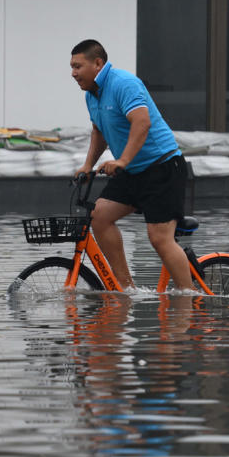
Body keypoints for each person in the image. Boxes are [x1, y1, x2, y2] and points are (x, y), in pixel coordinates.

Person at [70, 39, 192, 291]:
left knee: (159, 238)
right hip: (133, 172)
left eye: (77, 66)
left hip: (163, 167)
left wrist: (122, 160)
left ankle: (188, 299)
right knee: (99, 217)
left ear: (98, 63)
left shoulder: (123, 83)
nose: (73, 73)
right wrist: (88, 165)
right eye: (71, 67)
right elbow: (99, 132)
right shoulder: (91, 95)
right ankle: (126, 289)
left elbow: (142, 123)